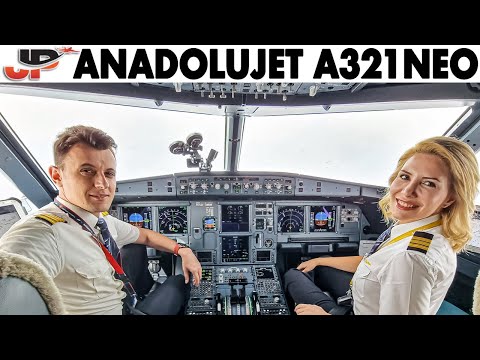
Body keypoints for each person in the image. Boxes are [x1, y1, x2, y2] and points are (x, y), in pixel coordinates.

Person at [0, 125, 202, 315]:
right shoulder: (43, 232)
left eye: (108, 173)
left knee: (136, 248)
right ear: (57, 175)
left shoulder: (101, 221)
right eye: (87, 171)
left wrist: (183, 250)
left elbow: (146, 236)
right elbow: (10, 271)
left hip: (123, 303)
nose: (102, 184)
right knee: (181, 282)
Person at [284, 136, 480, 315]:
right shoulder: (423, 229)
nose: (407, 191)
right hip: (363, 299)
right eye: (405, 176)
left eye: (428, 183)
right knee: (314, 267)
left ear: (450, 198)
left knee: (293, 275)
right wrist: (320, 261)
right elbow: (375, 263)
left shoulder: (409, 259)